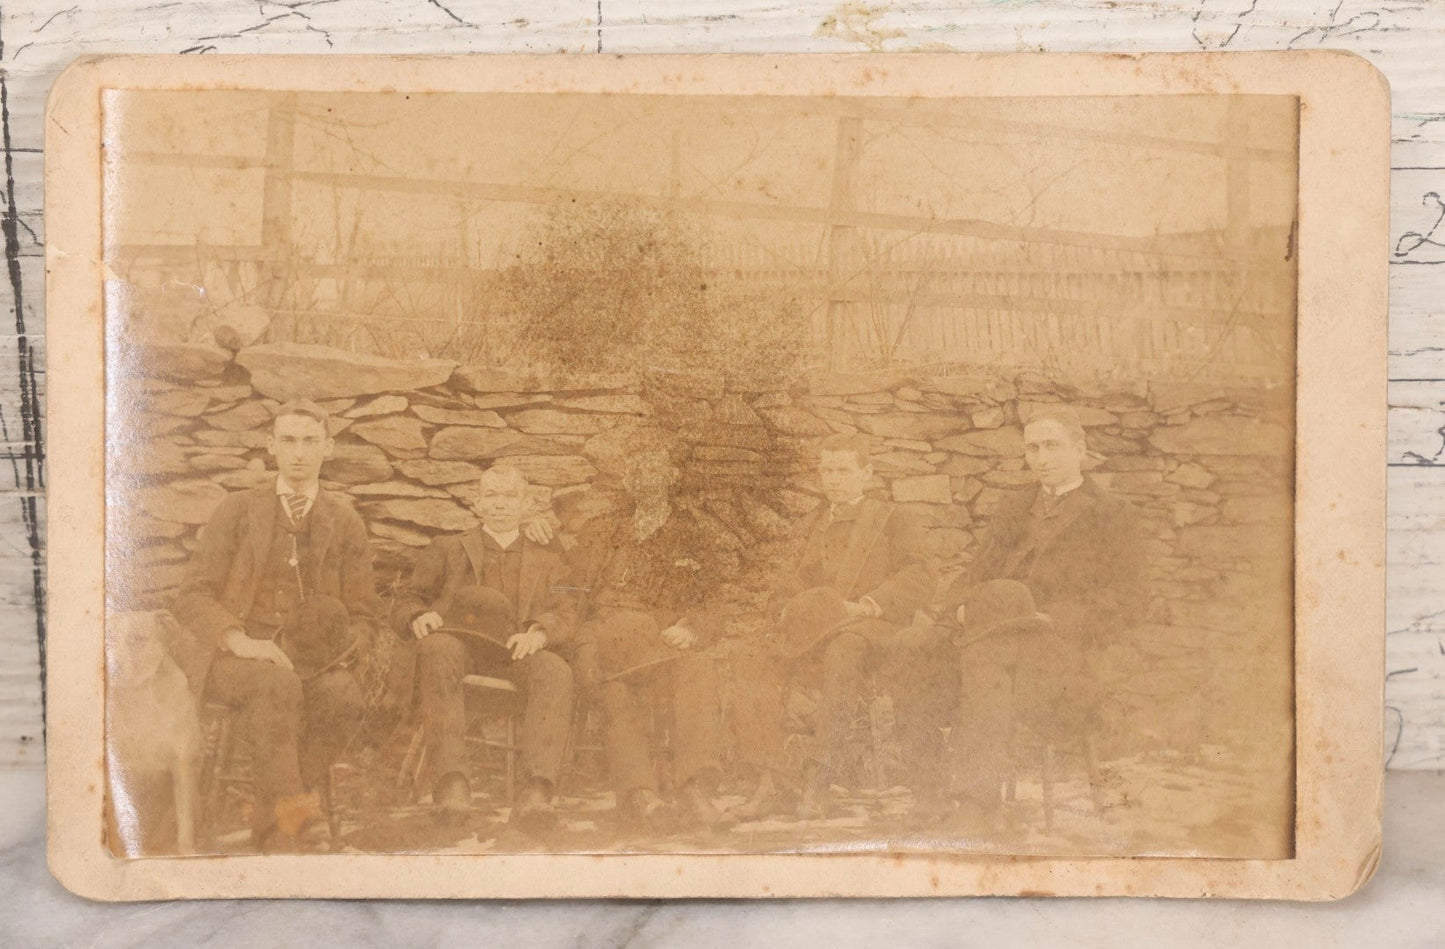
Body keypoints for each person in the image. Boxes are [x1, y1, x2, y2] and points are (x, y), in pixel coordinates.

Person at [175, 399, 383, 852]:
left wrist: (344, 652)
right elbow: (191, 595)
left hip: (312, 661)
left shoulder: (345, 522)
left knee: (343, 696)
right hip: (235, 659)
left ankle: (273, 820)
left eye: (310, 442)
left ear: (328, 448)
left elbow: (364, 614)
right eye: (288, 441)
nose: (299, 453)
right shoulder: (237, 510)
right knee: (276, 684)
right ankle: (300, 813)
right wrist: (238, 640)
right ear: (271, 445)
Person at [949, 403, 1145, 829]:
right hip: (995, 633)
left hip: (1063, 651)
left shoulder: (1112, 513)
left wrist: (1054, 617)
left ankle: (976, 805)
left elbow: (1130, 599)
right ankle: (928, 794)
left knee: (981, 657)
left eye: (1052, 446)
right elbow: (975, 574)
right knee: (921, 649)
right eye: (1033, 448)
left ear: (1080, 449)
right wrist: (962, 604)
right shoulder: (1015, 505)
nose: (1041, 458)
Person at [730, 432, 937, 820]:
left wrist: (868, 604)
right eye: (827, 470)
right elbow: (790, 580)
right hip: (817, 631)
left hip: (873, 629)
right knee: (751, 657)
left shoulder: (892, 518)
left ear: (866, 472)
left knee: (845, 648)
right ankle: (772, 780)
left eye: (843, 470)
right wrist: (786, 607)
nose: (834, 480)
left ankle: (821, 780)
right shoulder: (812, 522)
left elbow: (921, 576)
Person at [390, 464, 579, 831]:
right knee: (436, 648)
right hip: (459, 647)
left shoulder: (547, 556)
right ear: (476, 502)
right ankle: (452, 785)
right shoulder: (448, 548)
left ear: (526, 504)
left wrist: (539, 632)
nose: (500, 504)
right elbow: (408, 597)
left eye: (510, 496)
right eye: (491, 495)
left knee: (556, 669)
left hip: (516, 652)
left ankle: (537, 791)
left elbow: (568, 608)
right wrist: (418, 615)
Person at [570, 442, 733, 833]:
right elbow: (568, 591)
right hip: (605, 638)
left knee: (698, 670)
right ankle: (641, 795)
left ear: (671, 478)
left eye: (655, 471)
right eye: (638, 473)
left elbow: (714, 601)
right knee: (616, 689)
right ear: (627, 481)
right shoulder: (602, 531)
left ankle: (693, 789)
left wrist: (692, 627)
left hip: (659, 646)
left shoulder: (691, 536)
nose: (646, 481)